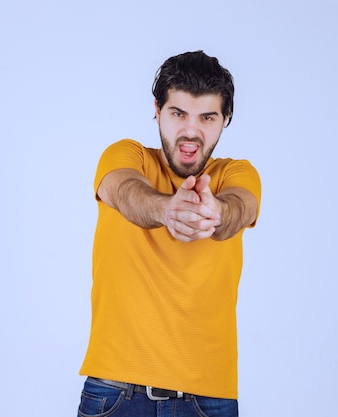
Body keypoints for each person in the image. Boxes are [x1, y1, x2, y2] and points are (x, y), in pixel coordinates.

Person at [76, 50, 262, 417]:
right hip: (114, 393)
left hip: (209, 399)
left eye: (207, 117)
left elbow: (240, 208)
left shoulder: (236, 174)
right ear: (158, 111)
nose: (191, 131)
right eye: (178, 113)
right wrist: (166, 209)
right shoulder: (126, 156)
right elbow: (124, 191)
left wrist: (217, 212)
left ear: (225, 119)